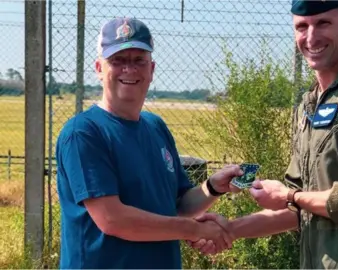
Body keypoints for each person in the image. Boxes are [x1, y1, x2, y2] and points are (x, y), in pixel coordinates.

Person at [191, 0, 338, 269]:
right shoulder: (312, 102)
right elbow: (300, 210)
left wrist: (290, 196)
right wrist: (230, 228)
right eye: (302, 26)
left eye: (323, 23)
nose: (311, 37)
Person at [55, 17, 241, 269]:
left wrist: (212, 188)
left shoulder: (155, 127)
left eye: (138, 61)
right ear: (99, 68)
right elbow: (112, 219)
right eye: (117, 61)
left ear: (151, 69)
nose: (129, 70)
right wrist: (193, 230)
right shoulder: (84, 133)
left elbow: (176, 206)